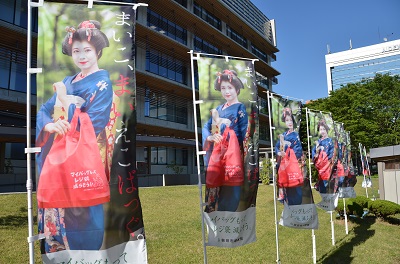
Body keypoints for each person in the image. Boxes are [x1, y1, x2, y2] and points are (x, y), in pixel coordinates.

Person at [36, 20, 113, 252]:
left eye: (87, 50)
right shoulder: (68, 81)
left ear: (98, 51)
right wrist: (49, 126)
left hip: (83, 157)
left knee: (83, 212)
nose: (81, 56)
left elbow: (95, 122)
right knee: (55, 210)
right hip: (54, 157)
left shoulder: (102, 83)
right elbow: (43, 110)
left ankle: (85, 254)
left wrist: (63, 99)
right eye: (76, 51)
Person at [202, 69, 248, 212]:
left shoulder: (240, 108)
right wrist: (209, 137)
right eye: (223, 88)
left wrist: (230, 132)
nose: (226, 91)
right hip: (217, 154)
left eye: (230, 88)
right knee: (215, 183)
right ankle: (215, 217)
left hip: (232, 154)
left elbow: (245, 132)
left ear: (237, 89)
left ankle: (230, 217)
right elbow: (206, 126)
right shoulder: (217, 108)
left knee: (231, 186)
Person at [275, 108, 304, 205]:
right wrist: (279, 152)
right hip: (283, 164)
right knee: (284, 182)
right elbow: (277, 146)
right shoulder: (283, 135)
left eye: (291, 120)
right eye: (287, 120)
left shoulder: (295, 135)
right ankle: (285, 201)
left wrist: (288, 151)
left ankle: (295, 204)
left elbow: (298, 150)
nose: (289, 122)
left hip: (292, 163)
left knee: (294, 184)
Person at [312, 118, 334, 193]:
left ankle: (329, 201)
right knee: (322, 186)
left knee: (327, 185)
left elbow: (332, 153)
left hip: (327, 166)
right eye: (320, 129)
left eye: (324, 129)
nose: (322, 131)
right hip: (320, 167)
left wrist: (329, 161)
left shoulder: (330, 141)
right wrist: (316, 153)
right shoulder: (318, 141)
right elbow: (314, 154)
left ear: (327, 130)